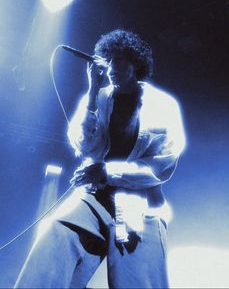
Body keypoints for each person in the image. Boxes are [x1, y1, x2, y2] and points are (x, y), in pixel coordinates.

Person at [14, 29, 186, 288]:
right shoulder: (99, 98)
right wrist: (93, 92)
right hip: (95, 197)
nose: (112, 67)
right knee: (56, 232)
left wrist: (108, 172)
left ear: (136, 64)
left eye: (120, 60)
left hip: (140, 205)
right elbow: (84, 147)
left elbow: (162, 166)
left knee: (138, 281)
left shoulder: (163, 106)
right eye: (109, 60)